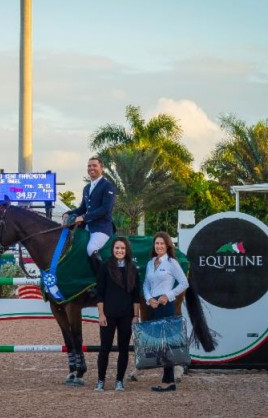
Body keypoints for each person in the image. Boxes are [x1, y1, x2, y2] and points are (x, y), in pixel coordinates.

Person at [143, 231, 189, 392]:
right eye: (157, 243)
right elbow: (145, 285)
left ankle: (168, 381)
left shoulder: (171, 263)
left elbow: (184, 283)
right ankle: (167, 379)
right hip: (153, 306)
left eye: (162, 244)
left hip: (166, 305)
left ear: (167, 246)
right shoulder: (150, 263)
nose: (159, 246)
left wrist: (167, 296)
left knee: (167, 343)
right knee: (159, 343)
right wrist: (149, 298)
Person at [95, 237, 140, 392]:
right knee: (105, 348)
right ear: (112, 249)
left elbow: (136, 295)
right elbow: (99, 293)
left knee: (123, 349)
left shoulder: (133, 268)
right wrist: (101, 314)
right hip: (108, 315)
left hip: (126, 316)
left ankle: (119, 381)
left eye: (122, 248)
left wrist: (136, 316)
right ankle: (100, 380)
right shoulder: (105, 266)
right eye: (117, 248)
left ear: (126, 250)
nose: (119, 251)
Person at [62, 156, 116, 273]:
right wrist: (67, 213)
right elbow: (82, 208)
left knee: (91, 248)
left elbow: (106, 209)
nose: (91, 168)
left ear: (101, 168)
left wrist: (84, 217)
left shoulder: (107, 186)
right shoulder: (87, 188)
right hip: (87, 227)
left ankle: (101, 279)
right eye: (89, 166)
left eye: (94, 165)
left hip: (102, 228)